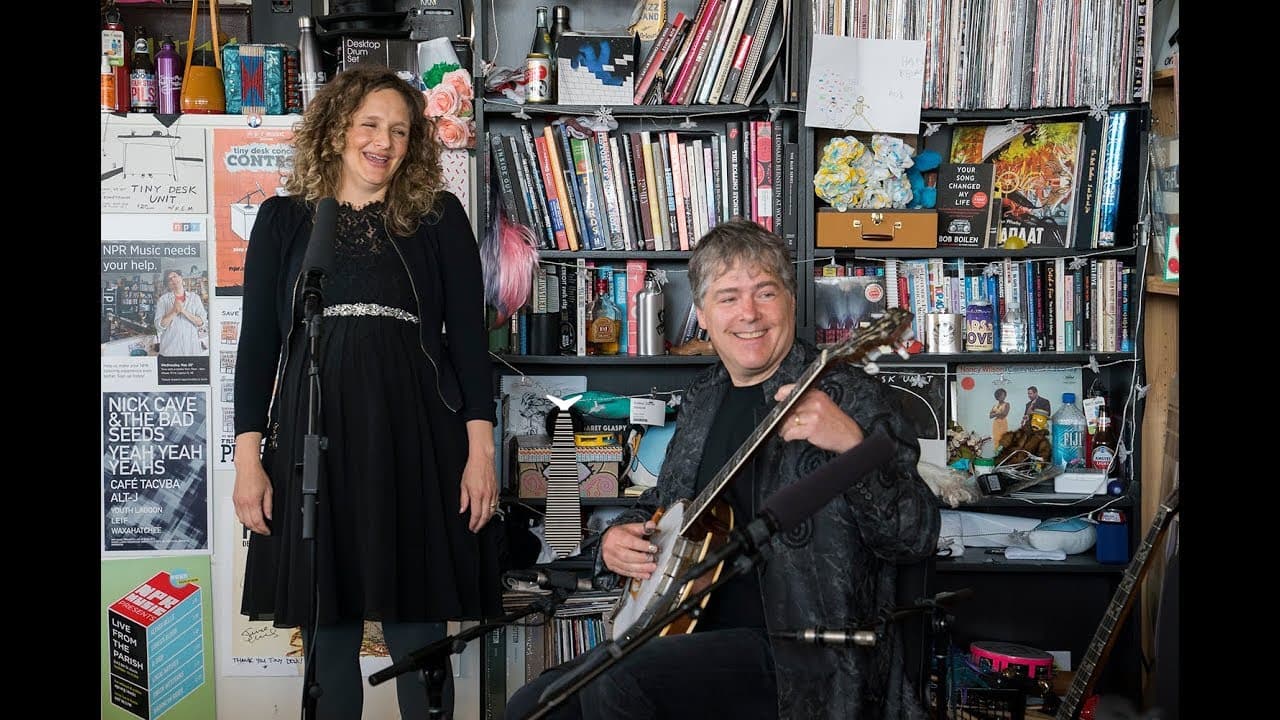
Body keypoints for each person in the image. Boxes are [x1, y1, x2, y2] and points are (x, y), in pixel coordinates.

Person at [505, 220, 941, 720]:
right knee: (531, 706)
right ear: (704, 316)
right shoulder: (703, 397)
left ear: (791, 303)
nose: (749, 314)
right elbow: (665, 510)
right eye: (729, 297)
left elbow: (916, 536)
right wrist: (617, 544)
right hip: (680, 629)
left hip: (801, 655)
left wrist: (852, 446)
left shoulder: (849, 396)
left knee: (626, 680)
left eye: (765, 292)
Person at [232, 65, 502, 720]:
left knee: (416, 620)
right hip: (309, 436)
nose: (385, 142)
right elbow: (259, 347)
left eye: (401, 132)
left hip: (414, 432)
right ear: (335, 132)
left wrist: (481, 451)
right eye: (370, 125)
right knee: (328, 625)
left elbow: (467, 342)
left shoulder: (438, 218)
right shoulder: (282, 220)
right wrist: (247, 461)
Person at [154, 268, 207, 355]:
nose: (173, 280)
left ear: (181, 278)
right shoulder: (163, 300)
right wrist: (174, 311)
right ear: (168, 285)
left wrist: (183, 310)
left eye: (175, 276)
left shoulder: (195, 298)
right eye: (169, 279)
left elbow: (201, 322)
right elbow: (159, 326)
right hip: (170, 351)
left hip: (192, 350)